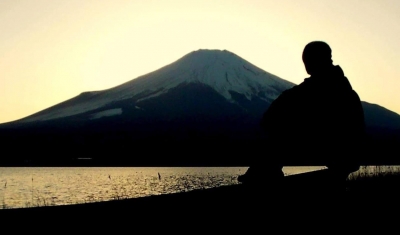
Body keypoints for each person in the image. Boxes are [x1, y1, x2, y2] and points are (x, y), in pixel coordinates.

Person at [238, 41, 366, 190]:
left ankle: (262, 175)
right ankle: (263, 172)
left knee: (277, 131)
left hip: (339, 150)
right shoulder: (340, 86)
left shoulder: (320, 88)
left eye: (307, 59)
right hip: (346, 153)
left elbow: (274, 114)